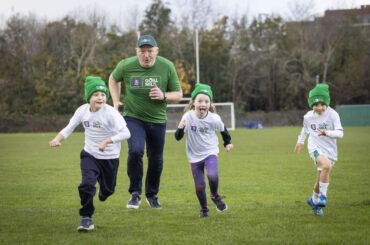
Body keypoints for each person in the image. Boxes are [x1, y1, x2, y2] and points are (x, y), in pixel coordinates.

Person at [109, 35, 182, 209]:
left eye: (150, 51)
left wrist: (163, 95)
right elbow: (113, 79)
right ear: (137, 52)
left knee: (156, 160)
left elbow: (178, 95)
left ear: (156, 51)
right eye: (143, 51)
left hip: (157, 120)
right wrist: (115, 100)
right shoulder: (126, 65)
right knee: (135, 151)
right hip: (133, 117)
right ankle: (135, 193)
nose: (146, 55)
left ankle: (152, 195)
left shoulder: (167, 66)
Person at [49, 76, 131, 231]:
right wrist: (57, 138)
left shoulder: (111, 113)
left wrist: (107, 141)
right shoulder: (82, 110)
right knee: (86, 185)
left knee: (108, 190)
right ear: (89, 97)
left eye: (102, 94)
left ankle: (104, 191)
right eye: (96, 95)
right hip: (90, 154)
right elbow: (69, 127)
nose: (100, 97)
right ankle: (86, 218)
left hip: (110, 158)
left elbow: (127, 133)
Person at [174, 84, 233, 217]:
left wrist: (227, 143)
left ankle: (215, 196)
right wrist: (179, 128)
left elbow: (223, 130)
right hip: (194, 156)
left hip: (210, 152)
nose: (203, 104)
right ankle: (204, 209)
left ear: (209, 104)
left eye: (206, 101)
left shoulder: (214, 118)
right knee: (199, 187)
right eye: (199, 101)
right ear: (193, 103)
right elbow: (178, 138)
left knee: (212, 175)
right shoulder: (187, 117)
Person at [294, 83, 343, 217]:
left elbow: (340, 133)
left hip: (330, 150)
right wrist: (300, 142)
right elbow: (305, 130)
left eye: (322, 104)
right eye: (316, 105)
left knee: (319, 179)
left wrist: (327, 133)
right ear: (312, 105)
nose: (319, 108)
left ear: (326, 102)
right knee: (326, 166)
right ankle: (323, 197)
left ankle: (314, 201)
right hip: (315, 148)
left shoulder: (333, 115)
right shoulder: (308, 116)